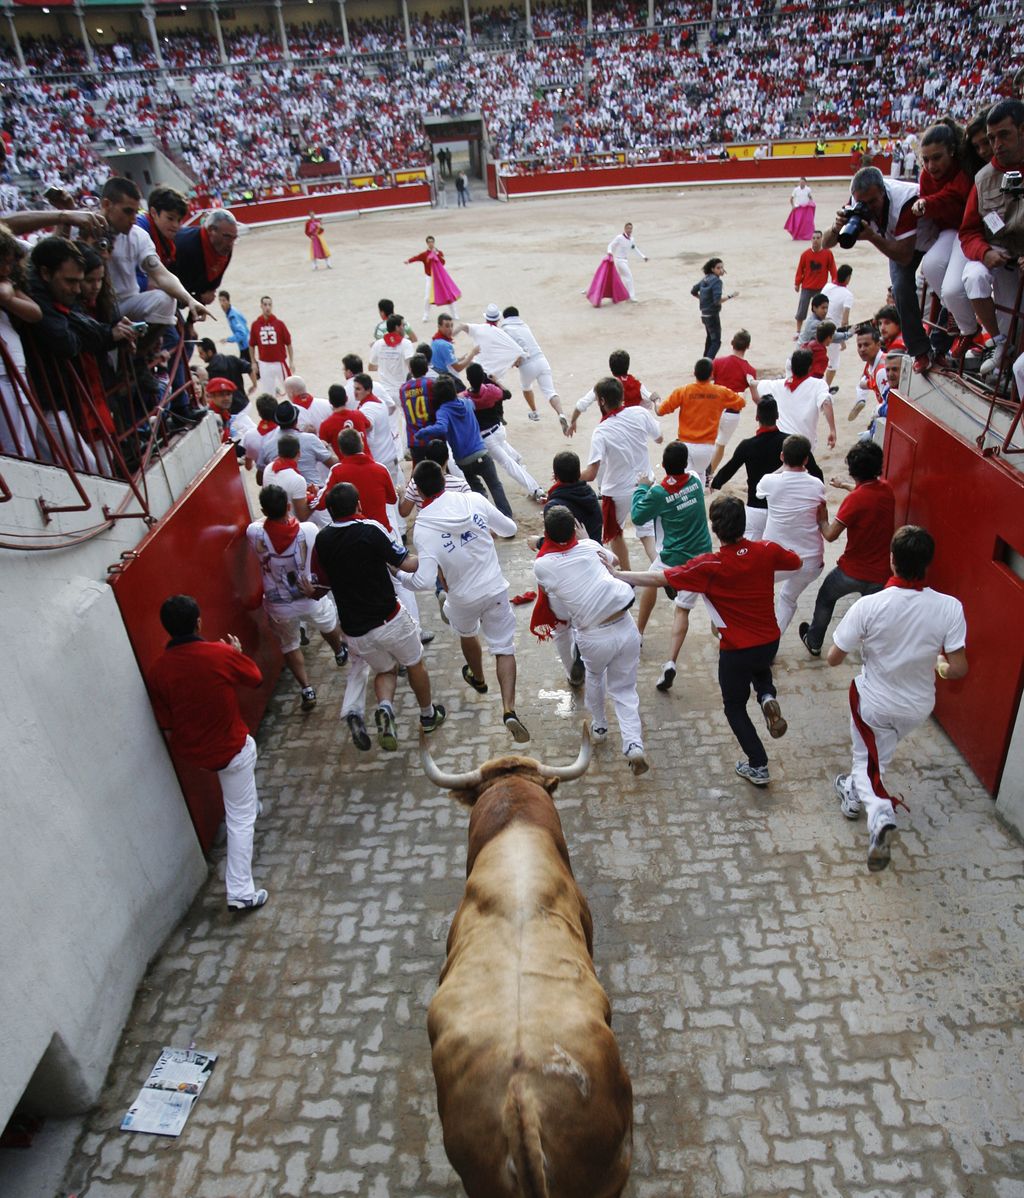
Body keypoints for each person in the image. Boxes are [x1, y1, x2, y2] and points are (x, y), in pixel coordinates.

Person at [614, 495, 799, 787]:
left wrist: (617, 574)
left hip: (737, 650)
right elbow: (795, 560)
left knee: (734, 707)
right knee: (760, 667)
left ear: (715, 528)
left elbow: (659, 578)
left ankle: (759, 765)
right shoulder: (766, 549)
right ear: (744, 523)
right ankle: (766, 696)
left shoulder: (708, 565)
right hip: (769, 640)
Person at [827, 526, 968, 872]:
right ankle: (852, 792)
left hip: (874, 702)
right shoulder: (950, 607)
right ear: (928, 563)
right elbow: (959, 668)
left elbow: (833, 657)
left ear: (891, 560)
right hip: (918, 706)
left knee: (865, 761)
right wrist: (940, 666)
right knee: (879, 752)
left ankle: (880, 816)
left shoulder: (870, 606)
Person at [147, 595, 268, 911]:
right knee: (239, 818)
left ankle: (250, 803)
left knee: (239, 787)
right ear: (198, 622)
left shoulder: (159, 670)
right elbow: (255, 678)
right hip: (230, 750)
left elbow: (167, 723)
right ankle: (240, 892)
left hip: (194, 754)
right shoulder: (219, 654)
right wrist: (236, 654)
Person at [312, 482, 445, 752]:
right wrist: (434, 554)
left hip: (355, 630)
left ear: (330, 511)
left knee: (385, 669)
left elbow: (321, 584)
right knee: (415, 662)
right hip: (389, 619)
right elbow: (406, 562)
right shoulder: (370, 529)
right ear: (358, 505)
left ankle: (385, 708)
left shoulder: (322, 540)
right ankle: (428, 714)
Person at [407, 459, 529, 743]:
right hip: (495, 588)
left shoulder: (423, 527)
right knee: (503, 647)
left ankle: (478, 677)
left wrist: (401, 579)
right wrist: (483, 534)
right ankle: (509, 709)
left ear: (421, 493)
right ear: (444, 477)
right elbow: (510, 529)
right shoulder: (473, 500)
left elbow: (424, 581)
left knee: (466, 631)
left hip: (461, 597)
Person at [531, 504, 648, 774]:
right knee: (625, 690)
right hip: (624, 624)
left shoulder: (542, 564)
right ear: (574, 529)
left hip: (593, 635)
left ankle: (599, 726)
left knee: (596, 677)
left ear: (546, 533)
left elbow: (558, 604)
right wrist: (587, 541)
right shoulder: (589, 545)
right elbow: (614, 562)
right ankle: (633, 745)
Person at [246, 483, 347, 710]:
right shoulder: (308, 530)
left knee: (289, 644)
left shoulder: (254, 533)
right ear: (289, 506)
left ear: (264, 511)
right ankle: (339, 651)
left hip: (278, 605)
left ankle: (307, 688)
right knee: (329, 624)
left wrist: (270, 518)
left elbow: (259, 524)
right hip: (309, 597)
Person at [822, 165, 931, 374]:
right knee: (900, 289)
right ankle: (919, 349)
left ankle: (940, 337)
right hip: (897, 242)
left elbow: (905, 254)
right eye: (863, 203)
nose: (868, 208)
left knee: (933, 281)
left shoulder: (904, 199)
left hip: (928, 238)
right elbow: (827, 243)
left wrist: (872, 237)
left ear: (884, 191)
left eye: (873, 202)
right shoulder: (858, 202)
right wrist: (837, 227)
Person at [799, 440, 895, 657]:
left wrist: (822, 520)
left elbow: (831, 535)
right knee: (872, 616)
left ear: (853, 470)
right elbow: (866, 493)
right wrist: (845, 487)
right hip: (881, 573)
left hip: (851, 571)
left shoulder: (855, 500)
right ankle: (870, 653)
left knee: (826, 597)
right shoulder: (887, 490)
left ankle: (814, 641)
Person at [631, 441, 711, 691]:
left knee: (648, 583)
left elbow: (637, 516)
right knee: (682, 612)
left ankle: (638, 635)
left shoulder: (659, 492)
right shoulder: (697, 480)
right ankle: (671, 662)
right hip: (701, 558)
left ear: (664, 466)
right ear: (686, 464)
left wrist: (641, 488)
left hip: (672, 559)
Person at [958, 99, 1024, 381]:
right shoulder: (983, 178)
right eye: (991, 137)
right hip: (1005, 260)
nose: (996, 144)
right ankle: (1001, 350)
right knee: (1013, 329)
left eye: (1004, 135)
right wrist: (985, 253)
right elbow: (968, 232)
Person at [101, 176, 212, 331]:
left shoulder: (138, 235)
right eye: (127, 212)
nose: (133, 219)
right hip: (95, 309)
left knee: (167, 300)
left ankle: (142, 353)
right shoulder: (81, 230)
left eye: (135, 212)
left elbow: (161, 274)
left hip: (126, 304)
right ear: (106, 205)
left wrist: (188, 299)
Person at [579, 376, 663, 571]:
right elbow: (659, 438)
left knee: (616, 533)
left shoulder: (601, 431)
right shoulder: (640, 413)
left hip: (617, 491)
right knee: (647, 534)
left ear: (601, 401)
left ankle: (627, 574)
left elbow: (591, 474)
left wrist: (567, 474)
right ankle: (661, 570)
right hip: (646, 482)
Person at [911, 122, 974, 355]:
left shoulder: (964, 170)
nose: (930, 166)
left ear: (952, 151)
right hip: (950, 230)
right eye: (926, 160)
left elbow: (951, 196)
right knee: (930, 265)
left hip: (969, 229)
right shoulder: (927, 175)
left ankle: (968, 329)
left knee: (951, 289)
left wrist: (927, 204)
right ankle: (955, 316)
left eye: (936, 158)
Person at [756, 433, 827, 636]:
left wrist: (783, 467)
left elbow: (760, 491)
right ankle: (772, 641)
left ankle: (758, 637)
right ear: (806, 460)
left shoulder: (769, 481)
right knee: (788, 598)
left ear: (781, 456)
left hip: (776, 562)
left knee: (756, 591)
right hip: (811, 561)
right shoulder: (817, 485)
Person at [413, 374, 513, 517]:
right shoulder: (466, 403)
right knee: (495, 486)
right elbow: (473, 403)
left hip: (464, 461)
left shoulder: (443, 411)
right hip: (482, 453)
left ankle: (486, 519)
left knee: (477, 492)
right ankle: (507, 518)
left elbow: (441, 428)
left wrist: (421, 432)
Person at [463, 361, 546, 501]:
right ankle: (522, 468)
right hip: (499, 431)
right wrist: (497, 381)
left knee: (508, 464)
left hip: (486, 438)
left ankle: (536, 489)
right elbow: (507, 394)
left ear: (469, 379)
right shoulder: (490, 390)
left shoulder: (465, 397)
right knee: (511, 457)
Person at [656, 357, 745, 482]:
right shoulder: (720, 392)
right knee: (700, 477)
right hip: (707, 448)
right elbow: (740, 403)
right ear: (711, 374)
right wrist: (741, 395)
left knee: (685, 483)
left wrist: (656, 401)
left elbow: (660, 411)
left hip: (686, 445)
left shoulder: (684, 391)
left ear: (694, 373)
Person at [0, 222, 42, 457]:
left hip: (16, 369)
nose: (7, 268)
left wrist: (8, 293)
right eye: (2, 262)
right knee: (17, 447)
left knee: (26, 437)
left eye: (9, 262)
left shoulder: (8, 283)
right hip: (3, 373)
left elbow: (35, 312)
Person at [498, 305, 569, 431]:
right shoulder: (524, 325)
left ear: (505, 317)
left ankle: (535, 412)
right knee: (550, 392)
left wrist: (513, 362)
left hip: (527, 365)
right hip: (542, 360)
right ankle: (561, 413)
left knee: (526, 387)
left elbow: (511, 348)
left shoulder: (505, 330)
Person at [568, 348, 659, 437]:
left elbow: (581, 404)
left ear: (611, 368)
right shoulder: (637, 384)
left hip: (611, 431)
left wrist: (573, 421)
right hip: (633, 432)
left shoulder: (604, 385)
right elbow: (651, 398)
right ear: (628, 366)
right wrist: (657, 402)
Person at [758, 348, 836, 451]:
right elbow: (826, 402)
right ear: (809, 367)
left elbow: (756, 387)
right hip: (804, 443)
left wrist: (749, 379)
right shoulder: (818, 384)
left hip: (780, 442)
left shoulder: (777, 385)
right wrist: (832, 430)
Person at [709, 329, 759, 477]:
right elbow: (756, 398)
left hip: (714, 408)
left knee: (706, 441)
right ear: (748, 347)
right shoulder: (749, 369)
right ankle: (709, 474)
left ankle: (700, 471)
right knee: (720, 444)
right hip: (732, 413)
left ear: (732, 343)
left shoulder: (717, 362)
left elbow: (706, 380)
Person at [255, 400, 335, 487]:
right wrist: (327, 447)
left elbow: (260, 480)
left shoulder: (267, 447)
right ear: (296, 420)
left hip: (285, 495)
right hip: (313, 491)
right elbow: (333, 465)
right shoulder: (311, 439)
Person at [173, 209, 238, 304]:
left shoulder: (225, 249)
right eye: (226, 236)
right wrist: (198, 299)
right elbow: (170, 288)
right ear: (211, 230)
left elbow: (209, 292)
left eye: (234, 238)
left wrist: (200, 303)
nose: (230, 244)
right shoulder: (185, 246)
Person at [543, 450, 602, 541]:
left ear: (555, 476)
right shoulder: (590, 494)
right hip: (595, 551)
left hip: (576, 554)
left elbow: (557, 544)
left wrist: (537, 542)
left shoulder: (553, 507)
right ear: (579, 473)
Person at [405, 235, 460, 324]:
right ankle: (425, 315)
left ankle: (455, 314)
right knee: (427, 297)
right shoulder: (424, 254)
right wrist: (408, 261)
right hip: (430, 278)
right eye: (429, 242)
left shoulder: (439, 252)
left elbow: (443, 263)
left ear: (434, 242)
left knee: (448, 295)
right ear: (427, 243)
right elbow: (416, 258)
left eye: (432, 242)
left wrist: (437, 254)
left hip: (440, 277)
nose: (431, 243)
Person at [793, 231, 837, 335]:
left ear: (821, 239)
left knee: (821, 310)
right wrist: (797, 283)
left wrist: (835, 282)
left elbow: (833, 269)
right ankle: (798, 331)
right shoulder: (805, 254)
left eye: (818, 238)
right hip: (807, 287)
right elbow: (800, 270)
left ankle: (820, 331)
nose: (815, 240)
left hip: (821, 288)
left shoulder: (828, 254)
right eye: (813, 238)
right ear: (811, 240)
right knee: (801, 310)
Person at [249, 296, 293, 396]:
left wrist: (291, 361)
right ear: (261, 306)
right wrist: (253, 362)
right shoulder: (255, 325)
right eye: (265, 305)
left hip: (280, 362)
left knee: (291, 388)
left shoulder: (279, 324)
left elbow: (288, 343)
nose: (267, 307)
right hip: (264, 364)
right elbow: (251, 345)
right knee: (269, 393)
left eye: (269, 304)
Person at [692, 258, 736, 359]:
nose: (721, 270)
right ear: (712, 269)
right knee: (716, 342)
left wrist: (702, 299)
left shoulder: (705, 278)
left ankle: (703, 363)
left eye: (722, 267)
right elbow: (717, 301)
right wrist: (731, 296)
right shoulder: (717, 282)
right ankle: (707, 364)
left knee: (709, 339)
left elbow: (693, 291)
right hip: (712, 315)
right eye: (718, 268)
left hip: (704, 315)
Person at [821, 264, 855, 388]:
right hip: (832, 332)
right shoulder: (847, 295)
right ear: (848, 278)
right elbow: (844, 321)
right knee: (833, 364)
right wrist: (842, 339)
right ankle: (824, 389)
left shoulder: (827, 286)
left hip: (819, 327)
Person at [847, 323, 887, 424]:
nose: (862, 349)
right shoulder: (872, 363)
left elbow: (891, 405)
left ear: (878, 344)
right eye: (859, 346)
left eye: (866, 345)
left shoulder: (882, 372)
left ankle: (860, 399)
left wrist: (878, 411)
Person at [319, 383, 371, 458]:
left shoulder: (326, 425)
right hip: (368, 463)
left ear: (330, 401)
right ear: (346, 398)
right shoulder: (359, 415)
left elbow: (323, 448)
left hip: (346, 467)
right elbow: (369, 427)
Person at [429, 312, 475, 388]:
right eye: (447, 326)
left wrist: (461, 359)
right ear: (439, 326)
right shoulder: (444, 345)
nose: (450, 329)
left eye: (451, 326)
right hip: (446, 383)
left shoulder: (434, 340)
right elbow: (458, 368)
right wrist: (472, 354)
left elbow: (445, 360)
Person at [607, 221, 648, 301]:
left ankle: (620, 294)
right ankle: (632, 296)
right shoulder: (619, 237)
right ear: (625, 229)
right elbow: (610, 245)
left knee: (621, 278)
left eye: (631, 228)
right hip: (619, 260)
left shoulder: (631, 239)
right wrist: (609, 252)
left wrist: (643, 256)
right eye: (628, 228)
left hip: (625, 261)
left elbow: (634, 248)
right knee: (629, 276)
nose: (629, 230)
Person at [218, 290, 251, 367]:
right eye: (220, 301)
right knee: (249, 368)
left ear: (228, 301)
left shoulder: (233, 316)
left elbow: (242, 334)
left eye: (224, 300)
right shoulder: (231, 312)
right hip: (245, 345)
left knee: (245, 368)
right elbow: (244, 321)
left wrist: (228, 339)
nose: (222, 304)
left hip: (246, 346)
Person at [784, 176, 816, 241]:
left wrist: (811, 203)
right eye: (801, 182)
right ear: (799, 183)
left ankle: (807, 236)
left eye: (803, 182)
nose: (802, 183)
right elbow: (791, 198)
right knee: (797, 224)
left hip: (806, 208)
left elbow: (810, 197)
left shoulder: (808, 189)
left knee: (808, 222)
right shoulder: (796, 189)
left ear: (805, 183)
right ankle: (796, 236)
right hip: (798, 208)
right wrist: (793, 206)